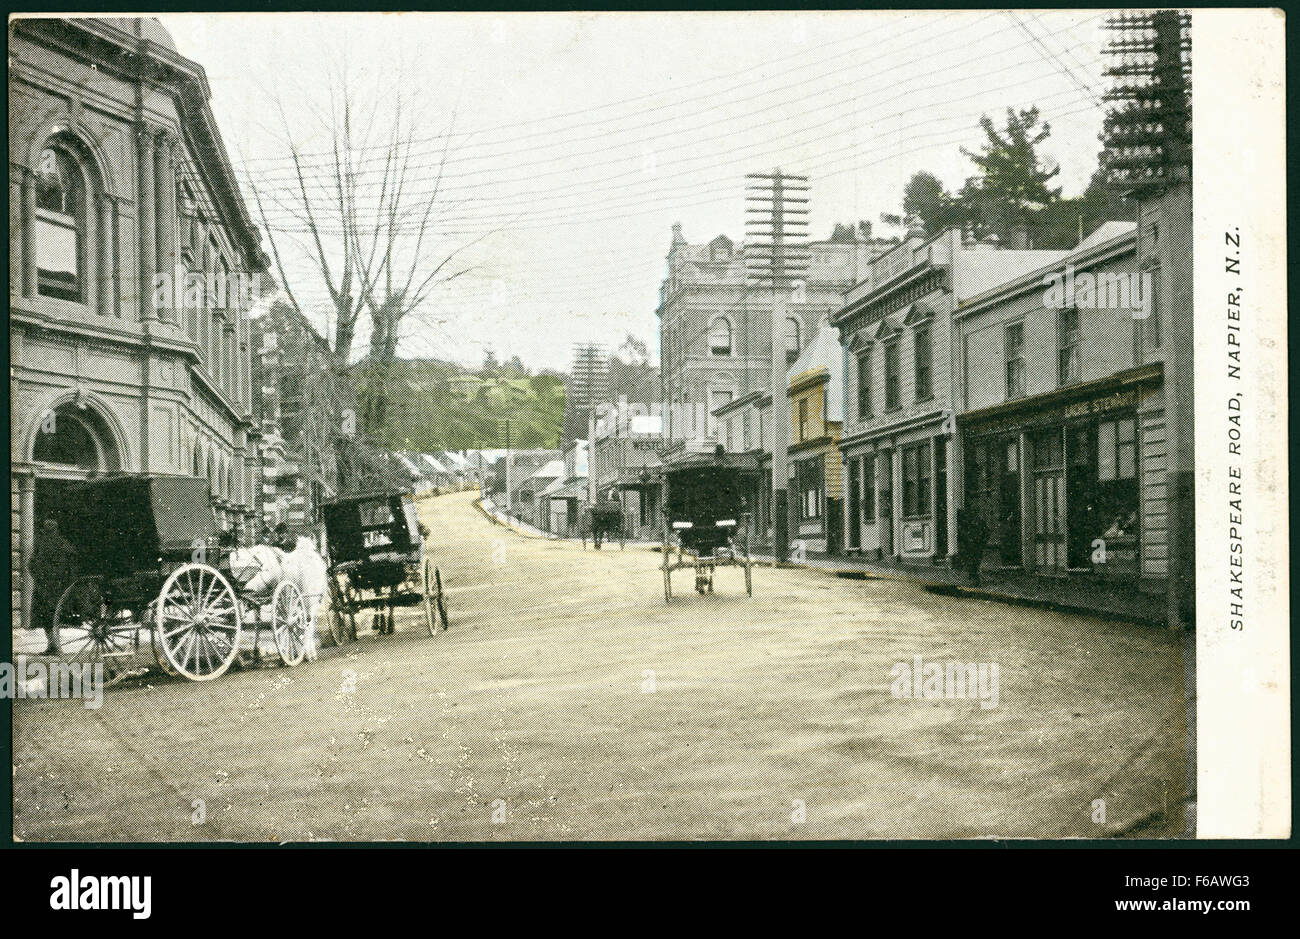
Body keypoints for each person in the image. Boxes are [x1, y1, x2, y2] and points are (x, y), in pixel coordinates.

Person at [29, 518, 78, 655]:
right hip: (57, 587)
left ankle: (52, 645)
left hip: (44, 586)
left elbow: (31, 564)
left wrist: (39, 577)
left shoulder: (41, 543)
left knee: (46, 616)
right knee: (54, 616)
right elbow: (72, 563)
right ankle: (54, 645)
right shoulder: (63, 543)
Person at [956, 507, 990, 588]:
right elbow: (987, 532)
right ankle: (974, 580)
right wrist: (982, 543)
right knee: (974, 563)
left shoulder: (964, 524)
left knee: (972, 563)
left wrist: (978, 541)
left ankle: (973, 581)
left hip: (973, 546)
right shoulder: (977, 521)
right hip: (976, 545)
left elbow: (986, 532)